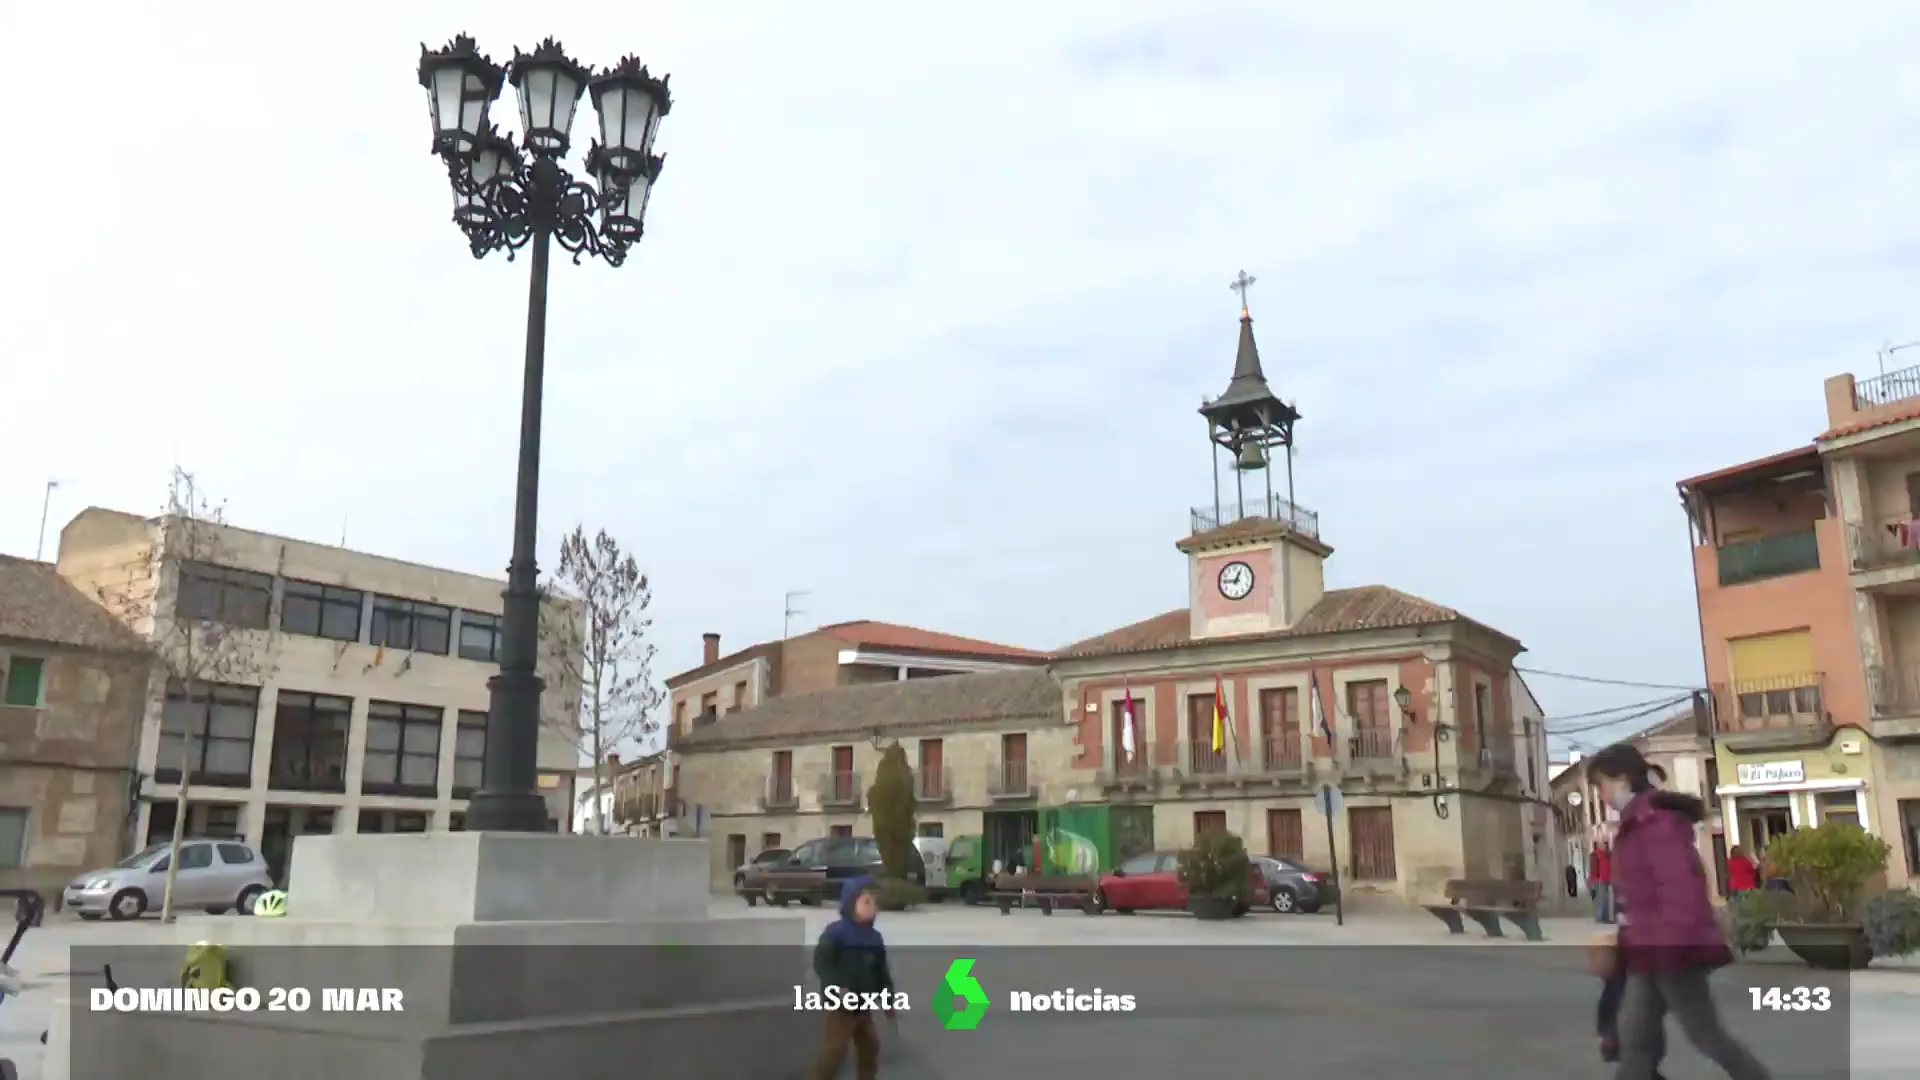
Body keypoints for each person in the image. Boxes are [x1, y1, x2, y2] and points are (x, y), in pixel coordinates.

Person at [1588, 742, 1773, 1080]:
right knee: (1636, 1040)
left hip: (1671, 949)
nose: (1601, 794)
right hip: (1649, 950)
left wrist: (1671, 945)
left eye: (1601, 784)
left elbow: (1679, 890)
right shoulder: (1637, 824)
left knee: (1707, 1036)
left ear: (1623, 779)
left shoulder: (1655, 824)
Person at [808, 877, 895, 1080]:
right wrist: (837, 988)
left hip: (863, 1004)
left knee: (870, 1045)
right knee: (836, 1049)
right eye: (867, 902)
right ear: (850, 903)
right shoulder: (835, 933)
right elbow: (822, 964)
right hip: (840, 1005)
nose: (873, 906)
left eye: (876, 902)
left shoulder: (875, 938)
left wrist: (888, 999)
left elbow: (881, 972)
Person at [1591, 841, 1615, 923]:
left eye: (1606, 845)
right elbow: (1594, 867)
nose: (1605, 847)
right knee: (1601, 898)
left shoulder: (1609, 854)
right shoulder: (1598, 854)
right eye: (1604, 845)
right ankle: (1600, 916)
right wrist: (1595, 878)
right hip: (1601, 879)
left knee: (1607, 899)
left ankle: (1605, 916)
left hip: (1608, 878)